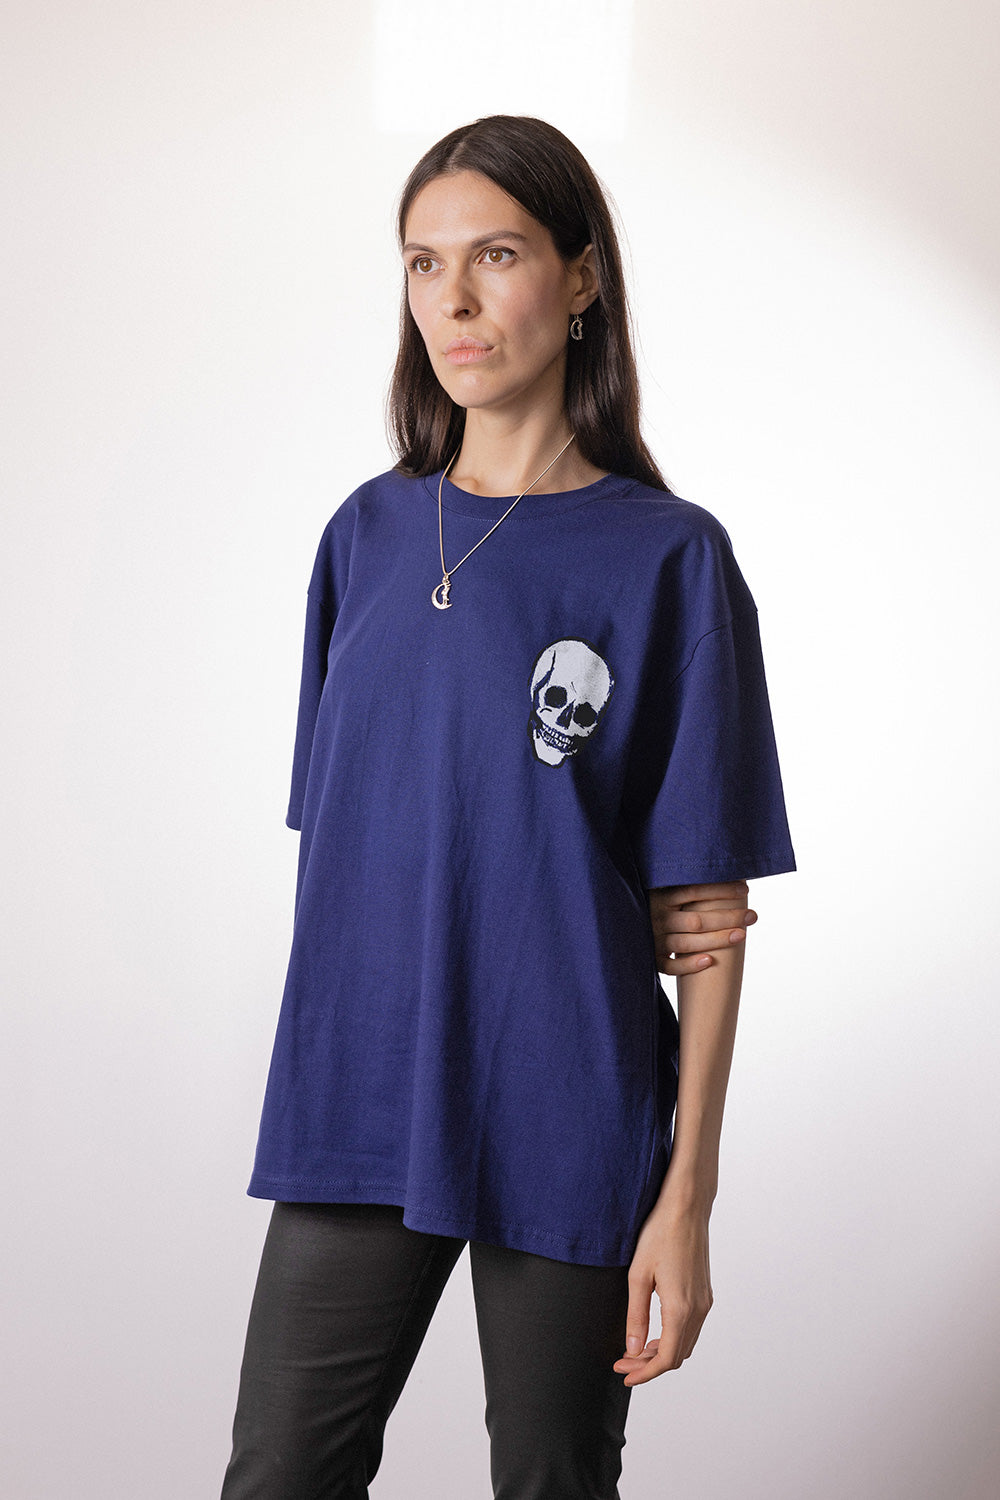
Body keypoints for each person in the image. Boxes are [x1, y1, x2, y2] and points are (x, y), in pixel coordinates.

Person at [219, 114, 796, 1500]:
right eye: (424, 265)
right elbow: (364, 848)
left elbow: (705, 922)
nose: (454, 302)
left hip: (568, 1101)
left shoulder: (670, 559)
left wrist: (688, 1198)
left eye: (496, 255)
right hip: (358, 1092)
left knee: (552, 1480)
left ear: (581, 277)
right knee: (280, 1473)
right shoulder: (363, 538)